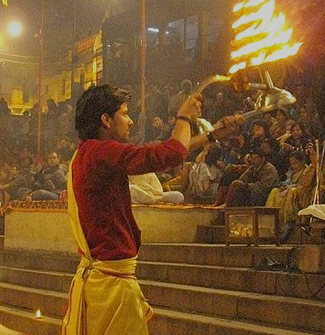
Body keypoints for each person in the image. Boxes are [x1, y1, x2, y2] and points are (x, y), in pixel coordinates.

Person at [61, 83, 237, 334]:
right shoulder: (101, 151)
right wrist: (184, 117)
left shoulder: (88, 152)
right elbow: (170, 155)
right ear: (106, 120)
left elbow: (170, 150)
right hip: (110, 287)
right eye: (124, 113)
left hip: (103, 283)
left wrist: (213, 135)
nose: (130, 121)